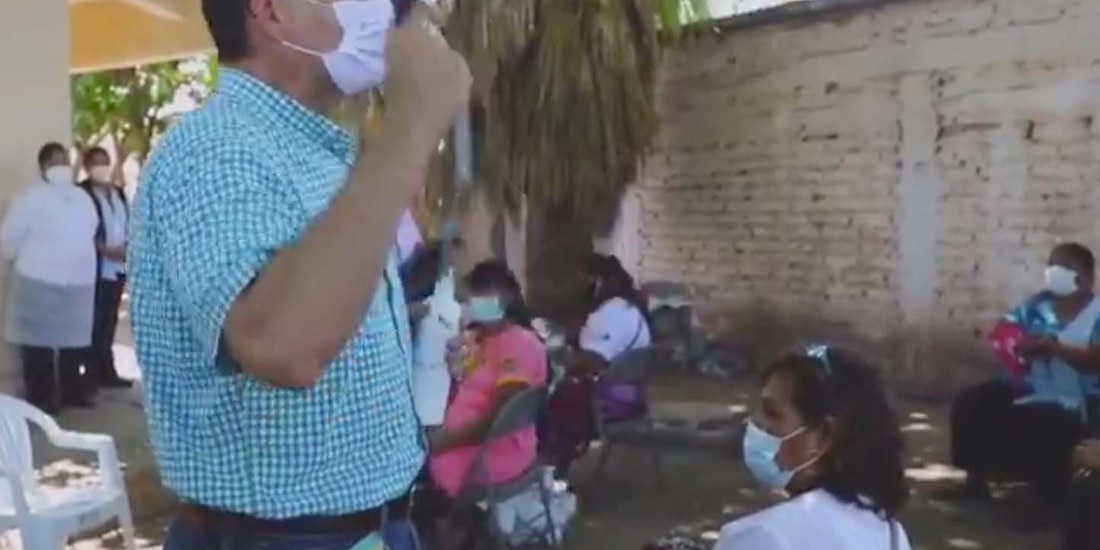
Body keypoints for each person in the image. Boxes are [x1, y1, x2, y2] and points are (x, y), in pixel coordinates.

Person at [127, 0, 471, 547]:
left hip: (367, 527)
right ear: (269, 11)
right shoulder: (217, 150)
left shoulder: (313, 151)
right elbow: (281, 344)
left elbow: (323, 298)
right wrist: (414, 122)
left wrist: (401, 331)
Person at [949, 243, 1098, 525]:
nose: (1056, 271)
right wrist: (1023, 345)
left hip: (1079, 397)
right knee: (972, 402)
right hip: (1032, 385)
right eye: (1054, 263)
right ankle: (975, 482)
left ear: (1086, 277)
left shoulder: (1097, 312)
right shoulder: (1038, 304)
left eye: (1066, 266)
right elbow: (1009, 332)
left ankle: (1046, 502)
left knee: (1042, 421)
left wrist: (1057, 349)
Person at [714, 346, 912, 550]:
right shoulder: (892, 537)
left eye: (772, 414)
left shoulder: (761, 537)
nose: (755, 424)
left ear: (824, 435)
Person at [416, 260, 548, 546]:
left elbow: (500, 418)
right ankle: (454, 525)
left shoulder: (519, 344)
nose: (476, 302)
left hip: (490, 456)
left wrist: (444, 441)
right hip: (478, 446)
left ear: (507, 298)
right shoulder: (484, 339)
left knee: (409, 471)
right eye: (474, 294)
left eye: (485, 294)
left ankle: (444, 530)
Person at [1, 142, 99, 414]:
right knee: (37, 345)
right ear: (43, 167)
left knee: (73, 342)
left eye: (65, 159)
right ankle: (42, 397)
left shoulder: (82, 198)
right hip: (38, 280)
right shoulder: (29, 199)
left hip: (77, 281)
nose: (63, 166)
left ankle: (72, 390)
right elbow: (8, 239)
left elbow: (91, 228)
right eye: (57, 161)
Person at [541, 253, 653, 476]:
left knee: (548, 404)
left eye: (585, 280)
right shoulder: (627, 307)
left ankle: (551, 470)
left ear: (601, 281)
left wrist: (557, 354)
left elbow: (591, 362)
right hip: (632, 394)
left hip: (609, 400)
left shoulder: (611, 312)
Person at [78, 146, 133, 388]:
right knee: (94, 321)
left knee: (109, 319)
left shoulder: (118, 194)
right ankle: (89, 371)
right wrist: (101, 248)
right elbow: (81, 230)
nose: (103, 167)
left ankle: (106, 369)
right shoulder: (82, 194)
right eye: (97, 162)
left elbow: (128, 223)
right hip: (96, 266)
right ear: (88, 167)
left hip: (118, 266)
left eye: (106, 162)